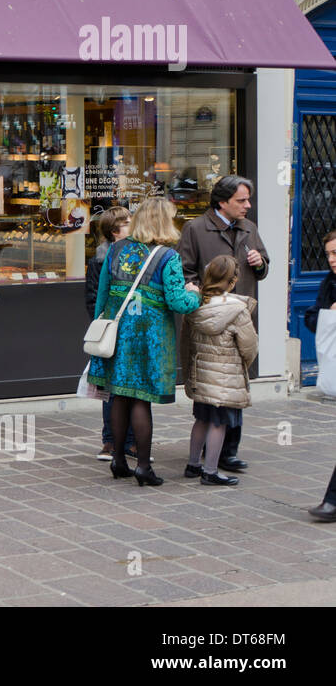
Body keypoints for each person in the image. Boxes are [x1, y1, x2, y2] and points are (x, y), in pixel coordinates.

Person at [87, 198, 201, 485]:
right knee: (141, 399)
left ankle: (118, 460)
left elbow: (103, 294)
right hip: (149, 337)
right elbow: (178, 303)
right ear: (164, 222)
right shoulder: (168, 257)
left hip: (117, 333)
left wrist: (101, 324)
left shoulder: (116, 249)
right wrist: (195, 293)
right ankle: (144, 468)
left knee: (119, 394)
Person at [177, 175, 269, 474]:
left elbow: (264, 266)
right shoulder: (195, 228)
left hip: (241, 317)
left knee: (236, 382)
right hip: (210, 321)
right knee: (211, 385)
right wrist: (202, 296)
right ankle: (207, 453)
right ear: (222, 201)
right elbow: (184, 272)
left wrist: (260, 262)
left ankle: (229, 451)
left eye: (248, 200)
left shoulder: (248, 227)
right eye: (241, 200)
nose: (247, 206)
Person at [183, 255, 257, 486]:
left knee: (202, 419)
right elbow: (249, 346)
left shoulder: (195, 305)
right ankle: (211, 471)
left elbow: (186, 342)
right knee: (219, 423)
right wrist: (244, 364)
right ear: (232, 282)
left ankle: (193, 464)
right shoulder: (237, 310)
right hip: (225, 376)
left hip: (202, 374)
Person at [86, 206, 136, 462]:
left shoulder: (138, 254)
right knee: (111, 388)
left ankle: (131, 440)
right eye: (128, 223)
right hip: (112, 328)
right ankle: (111, 440)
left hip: (134, 327)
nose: (133, 226)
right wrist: (103, 323)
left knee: (131, 385)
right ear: (115, 230)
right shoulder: (100, 258)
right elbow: (93, 297)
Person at [302, 230, 336, 522]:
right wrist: (328, 313)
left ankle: (332, 501)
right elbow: (311, 317)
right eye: (328, 254)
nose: (332, 260)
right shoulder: (330, 281)